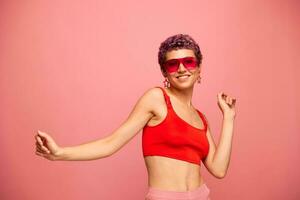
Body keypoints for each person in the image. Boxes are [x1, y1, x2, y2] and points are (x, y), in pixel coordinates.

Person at [34, 34, 236, 200]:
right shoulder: (156, 99)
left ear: (199, 68)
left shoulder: (201, 118)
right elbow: (111, 143)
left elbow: (218, 170)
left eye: (188, 62)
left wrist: (228, 117)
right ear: (164, 72)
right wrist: (60, 153)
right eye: (173, 64)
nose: (182, 68)